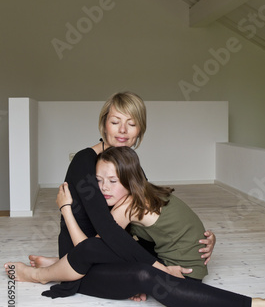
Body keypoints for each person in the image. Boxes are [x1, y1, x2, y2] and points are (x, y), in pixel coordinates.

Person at [5, 147, 265, 307]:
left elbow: (90, 248)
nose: (103, 188)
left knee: (98, 257)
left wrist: (67, 209)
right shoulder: (140, 192)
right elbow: (121, 245)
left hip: (183, 273)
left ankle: (42, 274)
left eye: (112, 180)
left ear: (130, 180)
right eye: (99, 180)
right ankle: (58, 267)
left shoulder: (128, 206)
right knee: (116, 251)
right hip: (173, 257)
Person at [27, 91, 216, 296]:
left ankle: (56, 264)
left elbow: (144, 217)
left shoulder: (126, 164)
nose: (123, 130)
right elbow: (106, 231)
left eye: (132, 124)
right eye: (116, 122)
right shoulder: (85, 161)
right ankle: (51, 269)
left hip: (113, 246)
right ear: (104, 124)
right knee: (142, 278)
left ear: (140, 130)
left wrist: (193, 239)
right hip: (83, 250)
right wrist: (160, 270)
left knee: (153, 267)